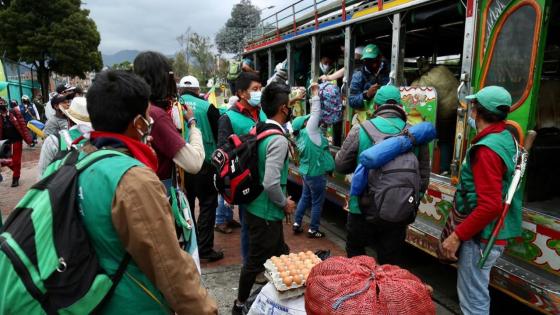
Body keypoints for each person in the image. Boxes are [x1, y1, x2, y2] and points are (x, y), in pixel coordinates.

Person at [69, 70, 217, 314]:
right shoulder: (132, 179)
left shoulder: (75, 161)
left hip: (88, 297)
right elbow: (169, 266)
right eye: (148, 116)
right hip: (132, 300)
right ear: (139, 123)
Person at [440, 86, 521, 315]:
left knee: (473, 300)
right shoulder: (506, 138)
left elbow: (490, 205)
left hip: (482, 236)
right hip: (492, 232)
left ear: (476, 112)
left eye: (473, 107)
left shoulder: (487, 150)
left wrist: (456, 236)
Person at [335, 85, 430, 265]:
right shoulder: (416, 135)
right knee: (390, 264)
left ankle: (360, 291)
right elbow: (423, 178)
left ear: (376, 107)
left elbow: (340, 166)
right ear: (401, 107)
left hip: (361, 209)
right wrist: (408, 201)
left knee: (356, 260)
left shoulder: (360, 129)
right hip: (398, 211)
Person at [232, 82, 295, 315]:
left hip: (254, 206)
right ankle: (239, 305)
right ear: (283, 109)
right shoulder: (277, 139)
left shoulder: (260, 127)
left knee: (280, 253)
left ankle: (276, 299)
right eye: (290, 105)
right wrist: (285, 203)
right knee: (256, 261)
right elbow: (270, 182)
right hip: (266, 211)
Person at [133, 51, 205, 188]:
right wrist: (192, 123)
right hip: (158, 192)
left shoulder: (133, 107)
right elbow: (194, 163)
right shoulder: (155, 115)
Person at [218, 71, 267, 263]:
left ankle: (264, 262)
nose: (259, 93)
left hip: (266, 177)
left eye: (260, 88)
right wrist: (228, 188)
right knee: (249, 226)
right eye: (254, 89)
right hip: (247, 180)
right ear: (241, 93)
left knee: (265, 226)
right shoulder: (228, 118)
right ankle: (250, 266)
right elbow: (223, 154)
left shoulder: (262, 112)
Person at [178, 75, 224, 262]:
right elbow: (218, 133)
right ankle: (205, 249)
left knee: (185, 206)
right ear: (198, 90)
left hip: (181, 164)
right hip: (205, 164)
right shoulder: (208, 107)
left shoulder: (174, 106)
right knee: (207, 205)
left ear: (180, 90)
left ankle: (190, 247)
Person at [292, 83, 334, 238]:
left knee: (305, 197)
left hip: (305, 172)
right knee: (317, 202)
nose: (309, 120)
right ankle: (313, 229)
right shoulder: (310, 132)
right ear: (305, 124)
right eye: (306, 120)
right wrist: (315, 93)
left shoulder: (299, 136)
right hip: (315, 173)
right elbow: (316, 112)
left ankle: (297, 223)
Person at [37, 96, 92, 178]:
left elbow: (42, 177)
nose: (67, 104)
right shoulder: (51, 123)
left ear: (69, 120)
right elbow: (46, 138)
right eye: (64, 102)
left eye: (68, 102)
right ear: (56, 106)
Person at [348, 44, 390, 114]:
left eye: (374, 60)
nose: (372, 64)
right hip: (366, 117)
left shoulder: (389, 71)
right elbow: (352, 101)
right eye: (367, 61)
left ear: (380, 58)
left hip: (386, 113)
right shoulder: (358, 76)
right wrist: (367, 95)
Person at [0, 97, 33, 187]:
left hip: (17, 140)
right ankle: (16, 170)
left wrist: (29, 140)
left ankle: (15, 178)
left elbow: (22, 125)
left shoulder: (14, 112)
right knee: (4, 161)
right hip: (6, 143)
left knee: (16, 161)